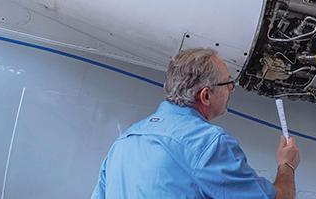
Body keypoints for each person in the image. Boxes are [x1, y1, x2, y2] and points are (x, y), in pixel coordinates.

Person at [92, 48, 300, 199]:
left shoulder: (124, 141)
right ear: (206, 95)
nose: (232, 89)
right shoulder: (208, 143)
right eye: (228, 83)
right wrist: (286, 165)